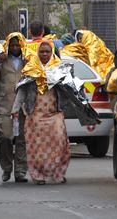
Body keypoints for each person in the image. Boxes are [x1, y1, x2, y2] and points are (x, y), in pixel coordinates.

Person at [11, 41, 70, 185]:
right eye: (42, 51)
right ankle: (39, 175)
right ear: (37, 53)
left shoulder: (59, 68)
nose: (44, 54)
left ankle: (58, 173)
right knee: (36, 147)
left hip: (54, 113)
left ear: (52, 53)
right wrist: (15, 109)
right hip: (35, 114)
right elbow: (22, 91)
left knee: (60, 141)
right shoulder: (31, 68)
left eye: (47, 52)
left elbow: (70, 90)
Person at [0, 32, 28, 183]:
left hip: (24, 107)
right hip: (5, 106)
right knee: (5, 138)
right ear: (8, 46)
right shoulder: (2, 60)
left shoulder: (27, 61)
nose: (15, 48)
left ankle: (20, 172)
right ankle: (6, 168)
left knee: (22, 140)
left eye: (18, 45)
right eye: (12, 45)